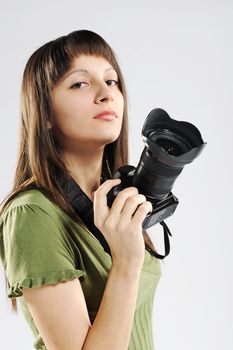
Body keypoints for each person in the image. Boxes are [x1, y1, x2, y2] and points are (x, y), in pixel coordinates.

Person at [0, 29, 162, 350]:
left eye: (112, 81)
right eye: (80, 83)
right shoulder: (32, 213)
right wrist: (126, 264)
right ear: (44, 112)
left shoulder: (113, 197)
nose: (106, 94)